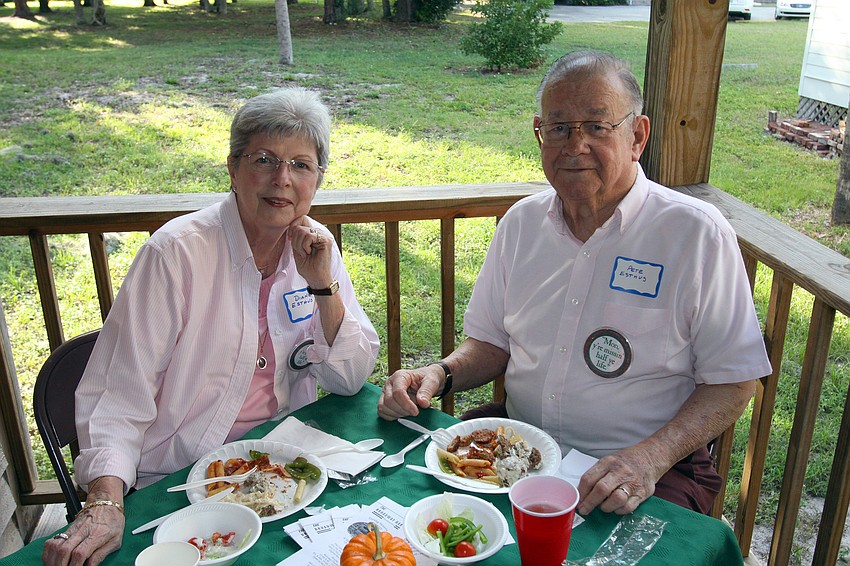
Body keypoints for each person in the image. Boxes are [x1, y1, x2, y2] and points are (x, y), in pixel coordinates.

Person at [378, 50, 771, 518]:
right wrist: (439, 374)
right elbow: (491, 343)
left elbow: (734, 382)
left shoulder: (695, 234)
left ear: (637, 136)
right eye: (559, 128)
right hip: (517, 447)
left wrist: (649, 458)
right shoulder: (521, 224)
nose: (574, 145)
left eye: (596, 127)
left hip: (645, 468)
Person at [43, 87, 380, 566]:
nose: (282, 179)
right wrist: (104, 503)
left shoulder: (315, 250)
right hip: (180, 480)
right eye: (264, 159)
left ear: (318, 178)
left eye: (301, 165)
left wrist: (323, 285)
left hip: (285, 472)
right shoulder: (176, 254)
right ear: (233, 168)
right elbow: (118, 396)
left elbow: (348, 379)